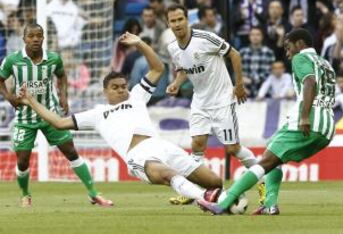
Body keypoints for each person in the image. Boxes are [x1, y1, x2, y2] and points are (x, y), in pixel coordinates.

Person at [17, 32, 224, 205]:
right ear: (105, 91)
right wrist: (31, 101)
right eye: (115, 88)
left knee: (215, 181)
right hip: (137, 156)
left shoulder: (137, 95)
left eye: (123, 86)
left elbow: (158, 68)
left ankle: (214, 197)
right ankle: (203, 199)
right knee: (168, 174)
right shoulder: (98, 113)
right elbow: (59, 123)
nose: (121, 90)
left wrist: (140, 43)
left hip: (161, 145)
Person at [197, 28, 336, 215]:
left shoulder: (301, 58)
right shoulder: (325, 63)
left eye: (288, 48)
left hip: (308, 120)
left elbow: (310, 82)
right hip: (327, 126)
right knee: (272, 152)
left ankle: (223, 204)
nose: (287, 54)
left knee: (265, 162)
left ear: (300, 44)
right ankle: (270, 205)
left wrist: (304, 116)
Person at [0, 23, 112, 207]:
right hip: (25, 118)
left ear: (44, 38)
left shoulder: (53, 59)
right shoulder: (12, 60)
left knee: (71, 151)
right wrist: (9, 97)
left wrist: (63, 96)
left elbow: (62, 76)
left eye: (39, 35)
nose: (35, 39)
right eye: (31, 36)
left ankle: (94, 193)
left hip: (51, 115)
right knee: (22, 161)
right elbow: (0, 79)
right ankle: (25, 195)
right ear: (24, 39)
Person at [165, 4, 263, 205]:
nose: (177, 24)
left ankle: (263, 180)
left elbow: (234, 54)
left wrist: (239, 85)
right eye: (172, 21)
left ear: (187, 20)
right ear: (169, 24)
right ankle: (193, 192)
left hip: (222, 100)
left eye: (179, 19)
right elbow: (184, 70)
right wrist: (176, 83)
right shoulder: (172, 47)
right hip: (200, 102)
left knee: (233, 148)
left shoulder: (204, 38)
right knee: (197, 145)